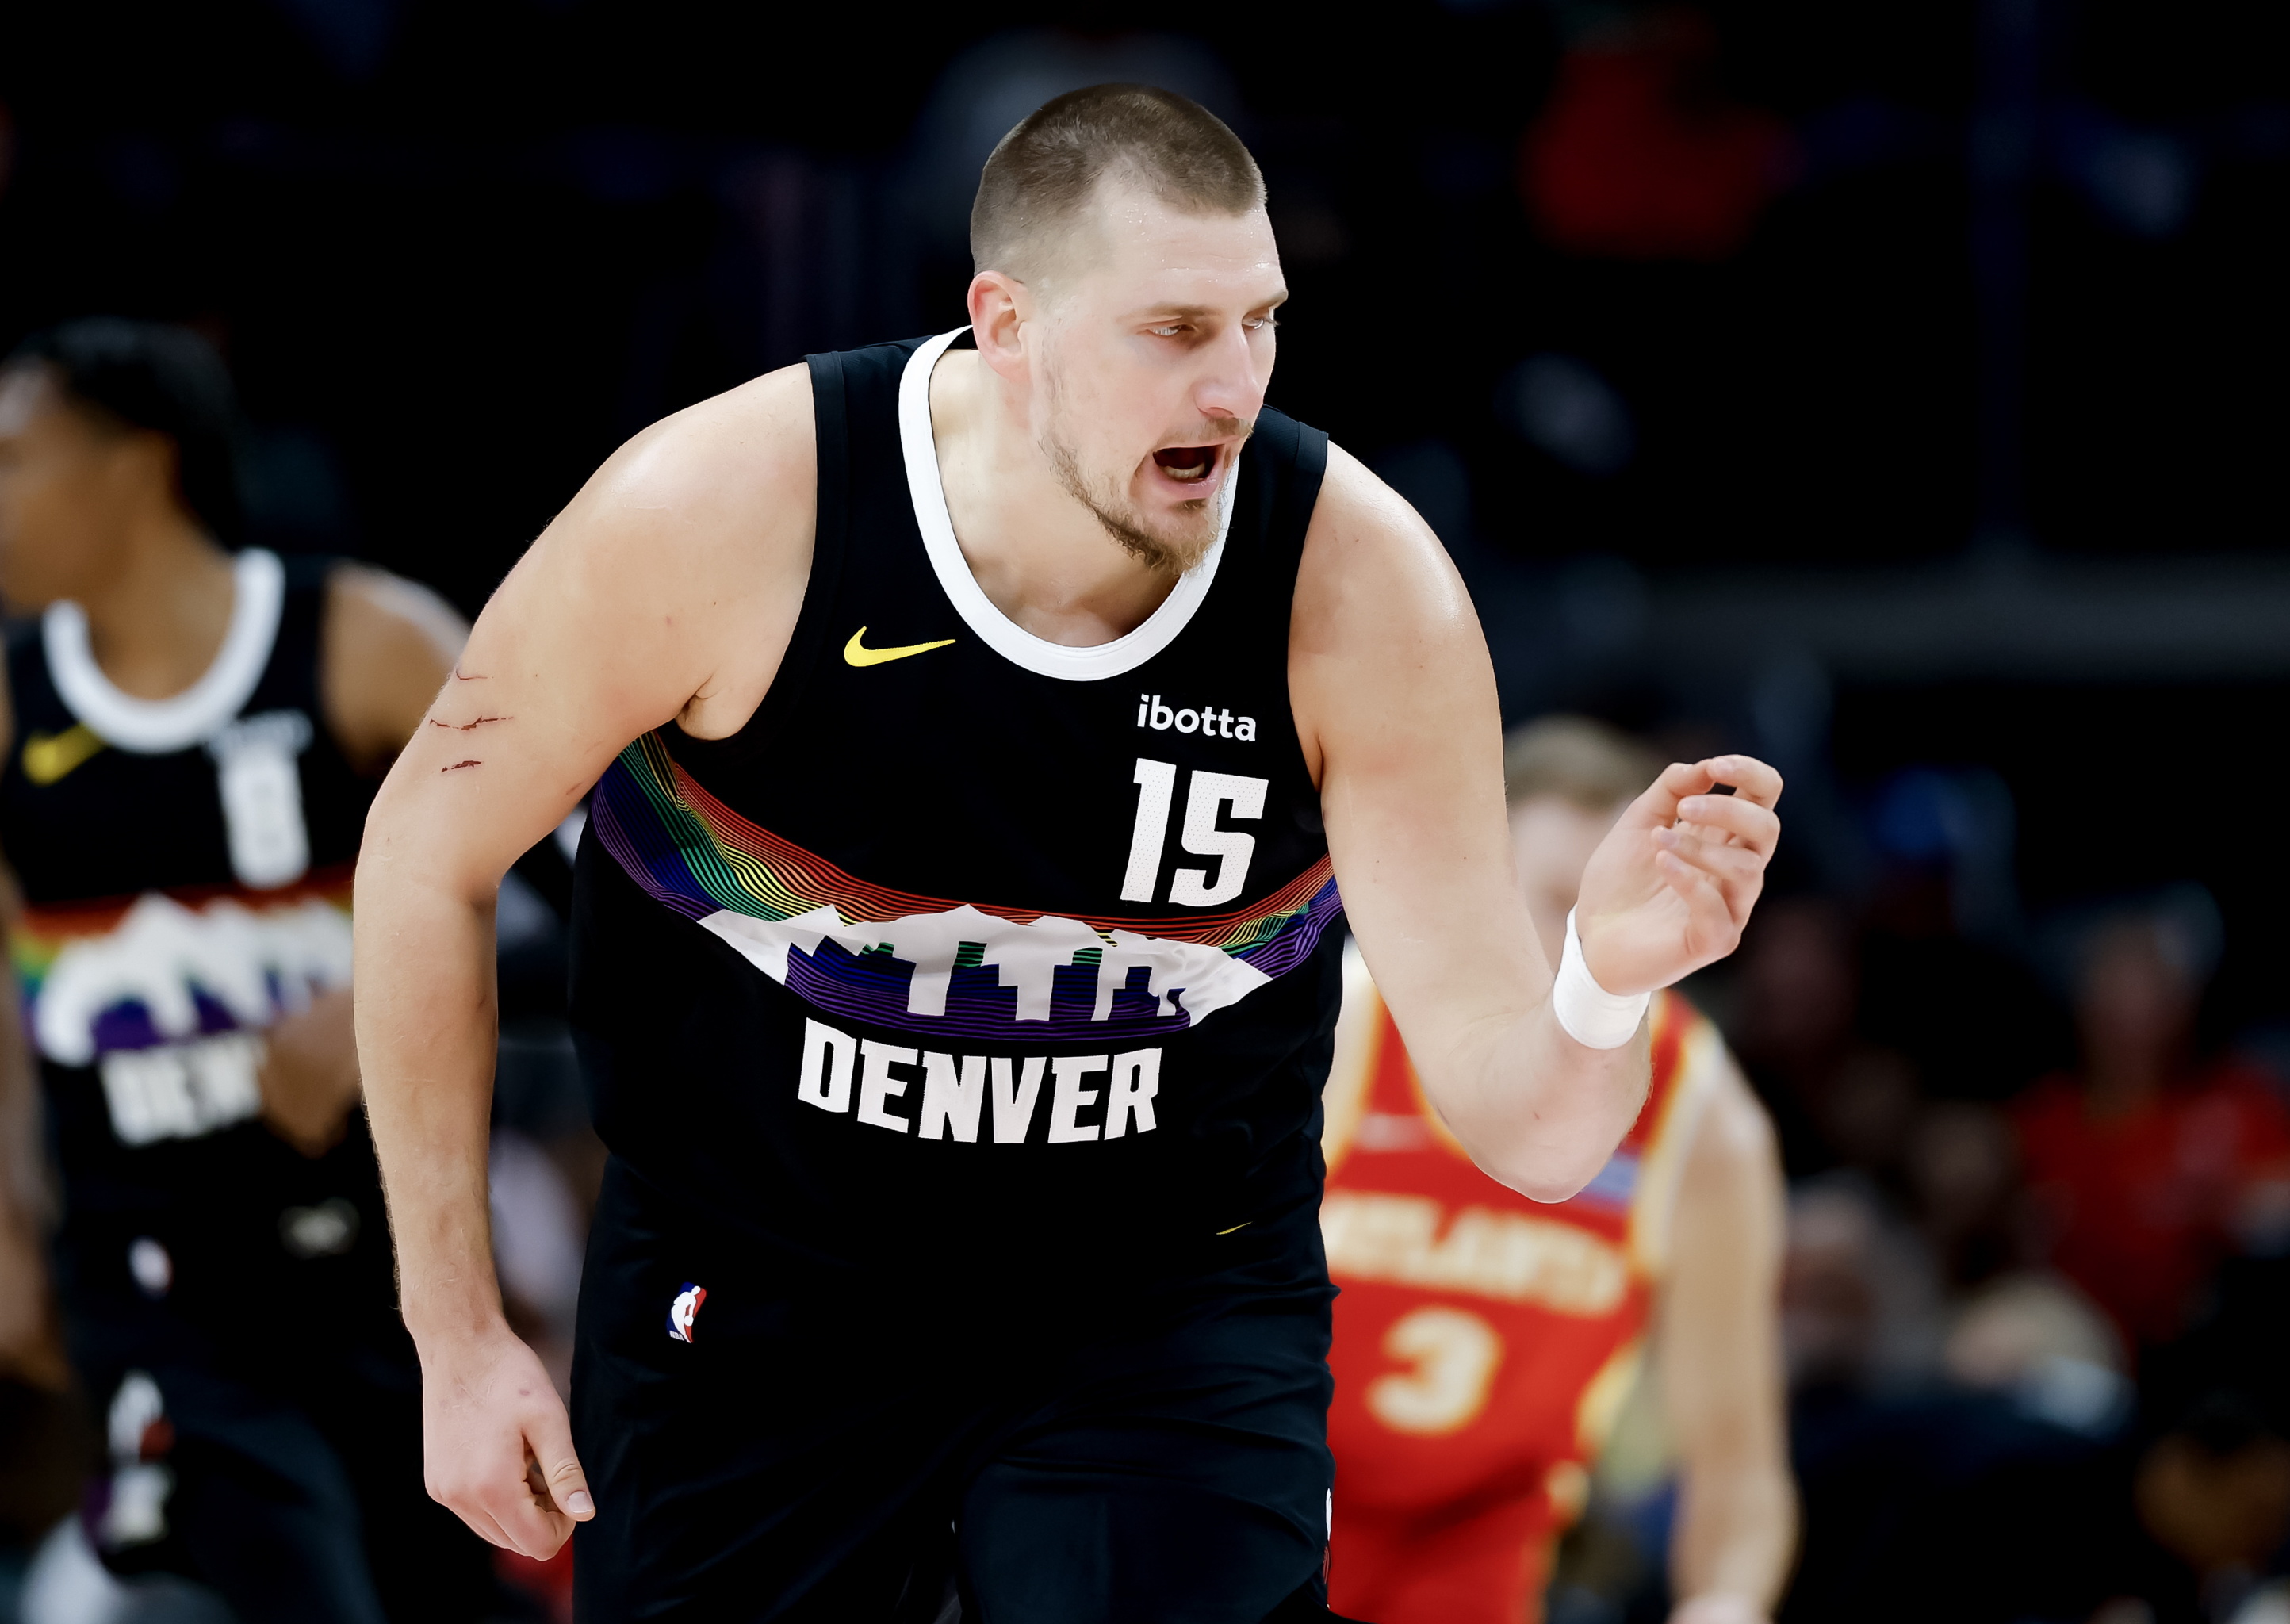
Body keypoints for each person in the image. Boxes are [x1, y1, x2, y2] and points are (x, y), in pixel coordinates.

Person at [354, 86, 1783, 1622]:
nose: (1233, 386)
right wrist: (456, 1333)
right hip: (760, 1272)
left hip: (1159, 1300)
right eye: (1174, 330)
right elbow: (426, 854)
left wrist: (1603, 981)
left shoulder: (1360, 591)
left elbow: (1532, 1130)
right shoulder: (725, 511)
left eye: (1260, 323)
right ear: (1008, 326)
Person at [0, 318, 530, 1620]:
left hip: (384, 1259)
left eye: (13, 459)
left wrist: (378, 1006)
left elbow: (584, 892)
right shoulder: (11, 699)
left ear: (135, 466)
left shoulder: (364, 638)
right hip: (149, 1280)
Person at [1320, 718, 1794, 1624]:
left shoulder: (1705, 1117)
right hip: (1276, 1501)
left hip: (1486, 1546)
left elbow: (1736, 1458)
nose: (1582, 942)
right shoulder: (1345, 1024)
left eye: (1608, 903)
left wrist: (1725, 1602)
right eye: (1551, 902)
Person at [2011, 904, 2290, 1350]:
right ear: (2085, 1008)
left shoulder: (2239, 1104)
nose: (2135, 1017)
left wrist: (2229, 1206)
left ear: (2184, 1004)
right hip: (2074, 1341)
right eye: (2116, 994)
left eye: (2151, 992)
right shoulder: (2041, 1122)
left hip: (2212, 1341)